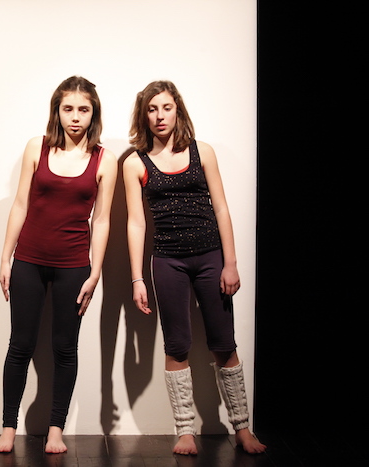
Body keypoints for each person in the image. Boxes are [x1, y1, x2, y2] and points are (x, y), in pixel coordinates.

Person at [123, 80, 266, 455]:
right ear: (144, 115)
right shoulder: (135, 163)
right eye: (152, 109)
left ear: (178, 110)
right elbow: (136, 223)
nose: (160, 115)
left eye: (166, 107)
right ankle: (185, 430)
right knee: (177, 345)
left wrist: (230, 262)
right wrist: (137, 278)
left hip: (210, 257)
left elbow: (221, 208)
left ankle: (242, 428)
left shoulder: (203, 152)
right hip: (167, 260)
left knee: (224, 342)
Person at [0, 76, 117, 454]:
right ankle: (8, 428)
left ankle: (55, 431)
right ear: (57, 111)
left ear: (93, 113)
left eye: (83, 109)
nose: (75, 117)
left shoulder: (104, 159)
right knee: (20, 345)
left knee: (65, 348)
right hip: (29, 260)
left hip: (73, 266)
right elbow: (20, 205)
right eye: (68, 109)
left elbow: (102, 220)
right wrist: (5, 257)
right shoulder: (38, 147)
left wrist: (95, 271)